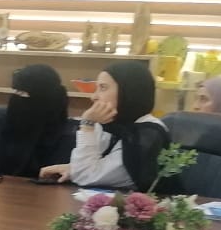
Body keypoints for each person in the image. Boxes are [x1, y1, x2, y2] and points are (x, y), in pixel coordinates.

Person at [40, 61, 168, 190]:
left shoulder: (148, 133)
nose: (94, 97)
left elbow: (85, 175)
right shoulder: (111, 123)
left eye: (103, 88)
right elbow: (87, 169)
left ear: (128, 91)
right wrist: (71, 168)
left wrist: (87, 124)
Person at [0, 64, 75, 179]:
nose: (16, 99)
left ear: (46, 99)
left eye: (23, 93)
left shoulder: (66, 139)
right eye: (16, 92)